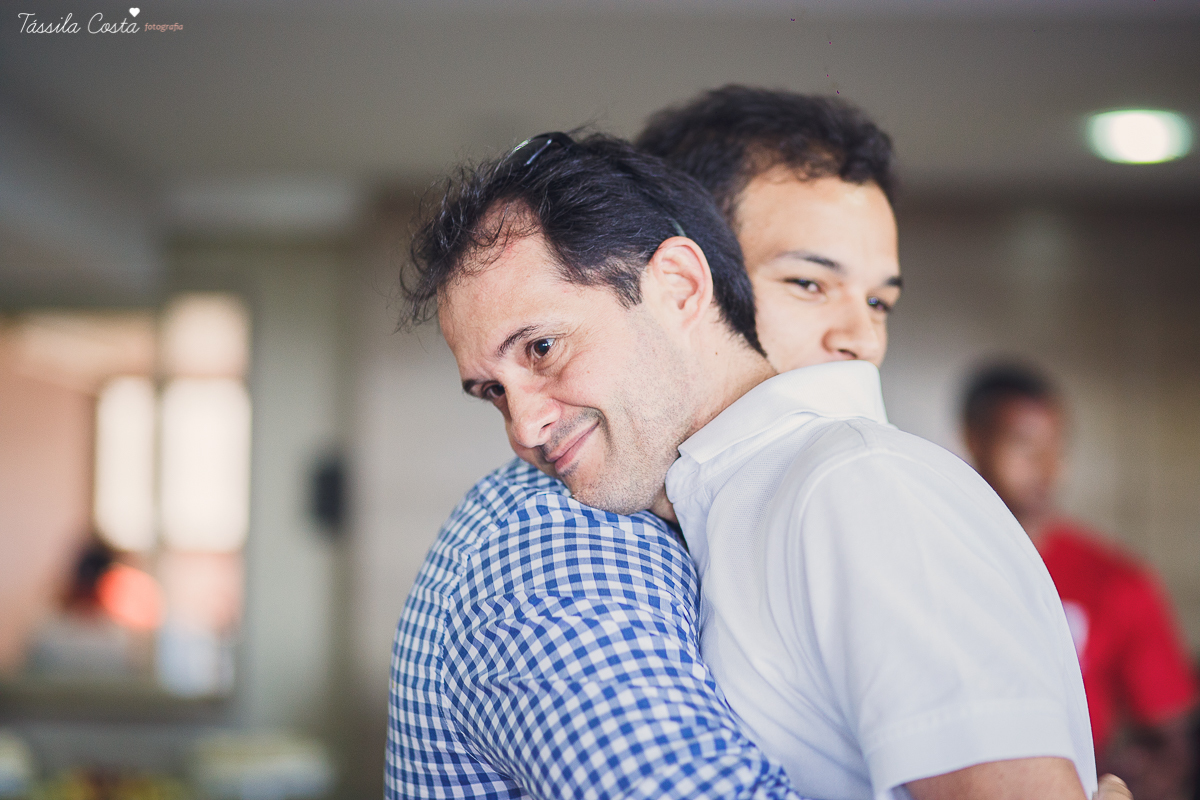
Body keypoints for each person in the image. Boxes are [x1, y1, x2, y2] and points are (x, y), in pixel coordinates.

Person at [397, 130, 1097, 799]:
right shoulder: (709, 508)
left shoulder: (854, 487)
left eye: (543, 349)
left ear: (678, 285)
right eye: (491, 392)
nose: (523, 428)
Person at [386, 89, 909, 800]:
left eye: (879, 301)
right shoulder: (570, 535)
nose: (862, 339)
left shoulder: (766, 509)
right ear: (691, 281)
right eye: (807, 282)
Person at [963, 363, 1197, 800]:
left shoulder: (1118, 581)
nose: (1046, 466)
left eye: (1057, 447)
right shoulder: (936, 566)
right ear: (973, 439)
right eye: (1024, 444)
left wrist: (1130, 776)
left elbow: (1172, 739)